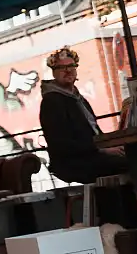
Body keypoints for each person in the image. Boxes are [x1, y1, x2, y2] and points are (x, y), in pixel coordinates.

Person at [39, 46, 127, 184]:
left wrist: (113, 145)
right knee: (129, 164)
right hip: (72, 163)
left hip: (89, 156)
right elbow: (60, 144)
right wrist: (102, 150)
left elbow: (94, 132)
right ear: (53, 73)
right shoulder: (51, 101)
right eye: (61, 68)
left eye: (71, 66)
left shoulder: (78, 99)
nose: (67, 70)